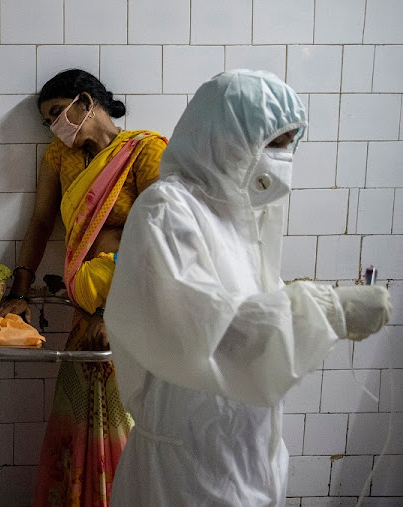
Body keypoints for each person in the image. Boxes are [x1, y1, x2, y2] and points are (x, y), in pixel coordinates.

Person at [104, 70, 392, 505]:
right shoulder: (168, 210)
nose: (283, 156)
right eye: (273, 142)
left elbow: (254, 316)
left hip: (249, 453)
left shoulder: (244, 222)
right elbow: (208, 332)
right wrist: (330, 311)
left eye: (289, 142)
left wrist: (314, 308)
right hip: (185, 468)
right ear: (225, 134)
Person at [0, 69, 168, 506]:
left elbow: (163, 235)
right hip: (83, 308)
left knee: (123, 420)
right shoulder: (60, 157)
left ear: (86, 102)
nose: (55, 127)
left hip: (131, 311)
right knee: (80, 418)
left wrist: (113, 314)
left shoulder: (146, 151)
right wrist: (20, 288)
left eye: (57, 113)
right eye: (47, 121)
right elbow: (39, 222)